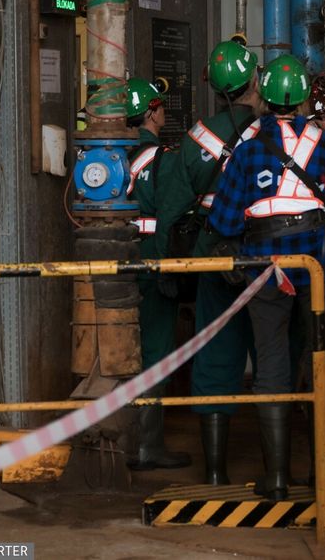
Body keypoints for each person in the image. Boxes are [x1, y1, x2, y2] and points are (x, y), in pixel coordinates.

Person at [206, 53, 325, 500]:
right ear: (308, 98)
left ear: (262, 99)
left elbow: (225, 222)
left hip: (267, 272)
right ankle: (321, 473)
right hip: (323, 268)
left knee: (271, 365)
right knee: (320, 363)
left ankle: (278, 478)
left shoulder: (247, 152)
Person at [184, 36, 263, 484]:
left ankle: (214, 474)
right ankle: (286, 470)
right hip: (269, 257)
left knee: (215, 354)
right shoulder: (278, 135)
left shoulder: (198, 136)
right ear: (254, 78)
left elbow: (176, 200)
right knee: (276, 356)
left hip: (213, 255)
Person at [124, 76, 192, 471]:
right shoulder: (161, 158)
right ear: (150, 113)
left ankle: (128, 438)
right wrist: (169, 267)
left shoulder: (116, 152)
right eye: (161, 105)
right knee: (156, 350)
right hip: (151, 260)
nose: (164, 111)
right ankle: (147, 445)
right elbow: (170, 216)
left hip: (119, 260)